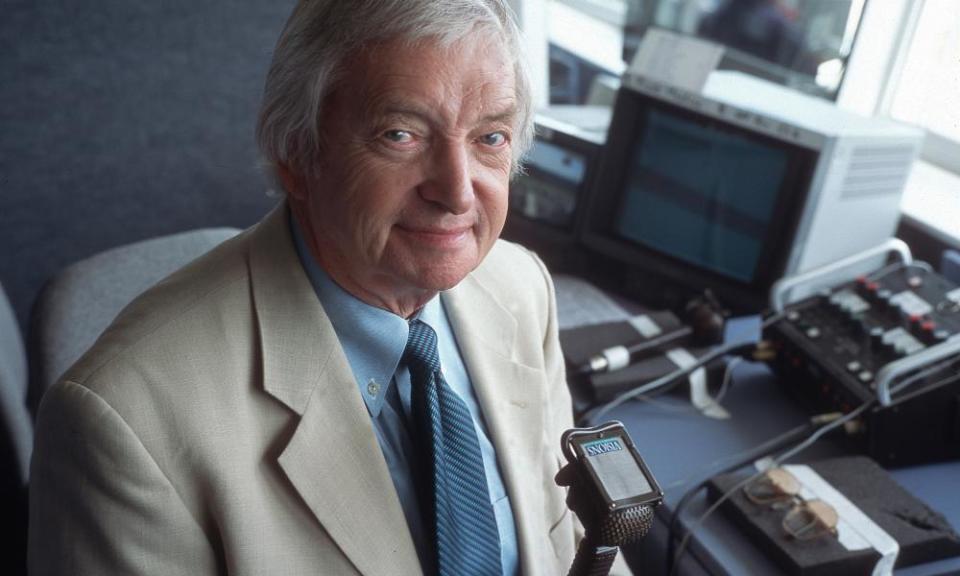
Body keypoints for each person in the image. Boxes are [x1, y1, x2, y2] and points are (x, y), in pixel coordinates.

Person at [30, 1, 627, 574]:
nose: (458, 192)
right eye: (402, 134)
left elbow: (571, 539)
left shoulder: (521, 285)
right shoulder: (125, 424)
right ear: (296, 152)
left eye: (489, 138)